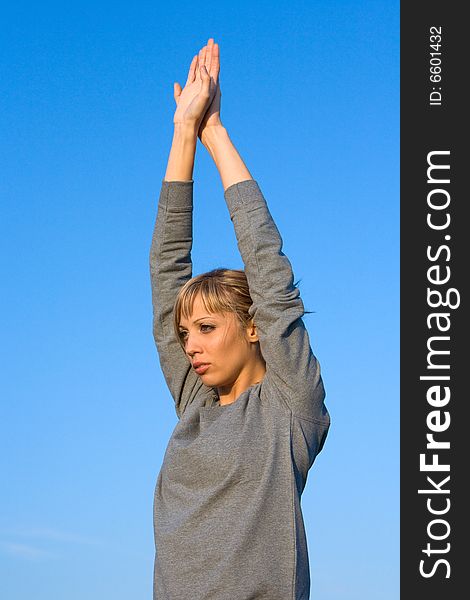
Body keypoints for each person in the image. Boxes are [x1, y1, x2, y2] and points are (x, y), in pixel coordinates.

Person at [149, 37, 330, 600]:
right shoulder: (195, 405)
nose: (191, 346)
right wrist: (182, 133)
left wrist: (214, 135)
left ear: (254, 327)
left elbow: (269, 275)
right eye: (184, 334)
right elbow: (166, 268)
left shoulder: (289, 408)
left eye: (206, 328)